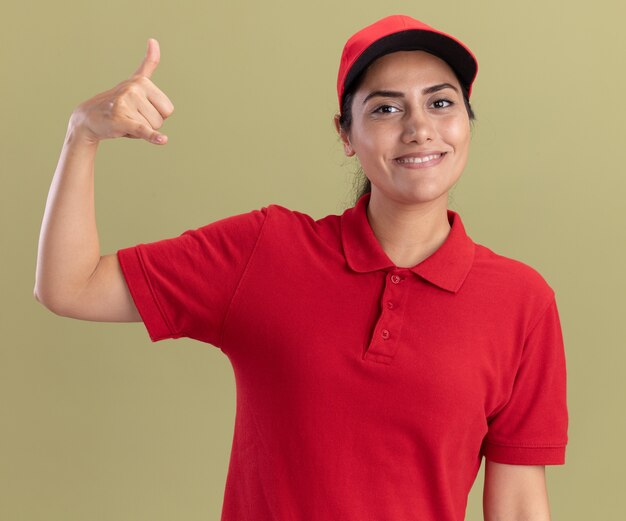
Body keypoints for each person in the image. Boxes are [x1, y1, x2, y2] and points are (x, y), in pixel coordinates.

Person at [34, 14, 568, 521]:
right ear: (345, 133)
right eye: (385, 108)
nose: (419, 128)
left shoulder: (522, 301)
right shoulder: (266, 252)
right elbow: (69, 285)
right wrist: (82, 134)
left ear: (466, 121)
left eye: (441, 103)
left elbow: (519, 505)